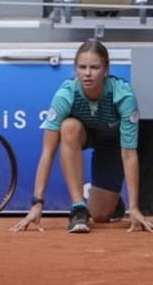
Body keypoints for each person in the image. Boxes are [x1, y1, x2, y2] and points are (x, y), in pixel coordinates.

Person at [11, 39, 153, 234]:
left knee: (101, 216)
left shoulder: (123, 96)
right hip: (83, 134)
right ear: (75, 69)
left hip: (113, 144)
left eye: (94, 67)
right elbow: (48, 152)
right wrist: (37, 203)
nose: (87, 73)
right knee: (68, 127)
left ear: (106, 69)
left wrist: (134, 207)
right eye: (82, 67)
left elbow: (128, 154)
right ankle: (78, 207)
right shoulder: (65, 95)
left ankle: (112, 202)